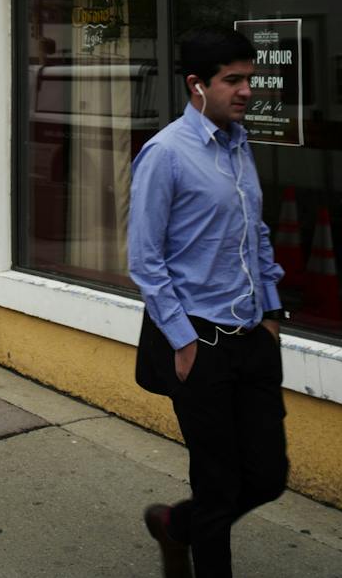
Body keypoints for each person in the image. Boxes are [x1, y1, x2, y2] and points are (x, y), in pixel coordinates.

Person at [127, 28, 288, 578]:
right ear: (198, 85)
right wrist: (183, 337)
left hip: (252, 337)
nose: (246, 91)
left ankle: (175, 527)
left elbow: (255, 232)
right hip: (198, 343)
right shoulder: (166, 154)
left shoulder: (240, 143)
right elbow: (145, 259)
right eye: (233, 80)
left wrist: (270, 312)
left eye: (250, 79)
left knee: (268, 476)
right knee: (218, 485)